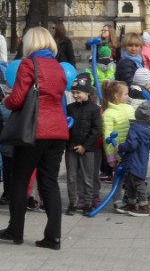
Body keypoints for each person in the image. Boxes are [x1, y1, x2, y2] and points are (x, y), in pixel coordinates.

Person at [0, 28, 70, 249]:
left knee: (20, 180)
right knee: (49, 182)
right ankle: (53, 237)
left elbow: (19, 99)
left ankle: (15, 230)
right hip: (58, 131)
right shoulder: (58, 67)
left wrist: (6, 101)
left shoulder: (29, 64)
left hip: (34, 130)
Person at [65, 74, 101, 216]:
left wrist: (85, 146)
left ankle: (87, 203)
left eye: (78, 92)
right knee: (72, 177)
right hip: (71, 148)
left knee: (88, 177)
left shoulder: (94, 109)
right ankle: (73, 203)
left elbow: (96, 130)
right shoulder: (70, 108)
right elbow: (66, 126)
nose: (75, 95)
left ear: (87, 92)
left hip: (88, 149)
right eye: (73, 93)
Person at [115, 101, 150, 218]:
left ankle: (143, 206)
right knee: (131, 183)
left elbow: (131, 144)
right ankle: (130, 203)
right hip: (140, 160)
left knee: (137, 183)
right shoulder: (148, 128)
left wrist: (120, 147)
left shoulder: (135, 128)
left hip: (134, 160)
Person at [101, 80, 134, 192]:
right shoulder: (108, 114)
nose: (128, 96)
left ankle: (130, 199)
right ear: (116, 96)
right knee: (118, 176)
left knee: (132, 176)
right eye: (126, 94)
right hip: (118, 153)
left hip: (131, 150)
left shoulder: (129, 108)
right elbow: (107, 138)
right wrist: (110, 157)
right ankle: (117, 199)